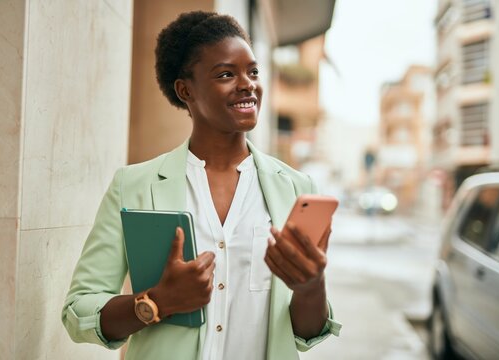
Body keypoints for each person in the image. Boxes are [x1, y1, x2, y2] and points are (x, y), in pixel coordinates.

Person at [62, 11, 341, 360]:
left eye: (253, 71)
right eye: (226, 74)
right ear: (185, 90)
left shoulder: (296, 189)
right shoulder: (133, 186)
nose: (247, 84)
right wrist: (157, 301)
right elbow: (78, 311)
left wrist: (311, 286)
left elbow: (306, 334)